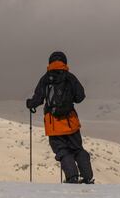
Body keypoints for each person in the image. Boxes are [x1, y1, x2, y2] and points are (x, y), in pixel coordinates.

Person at [26, 51, 94, 184]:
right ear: (64, 62)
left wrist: (30, 104)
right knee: (78, 149)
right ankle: (87, 177)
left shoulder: (45, 78)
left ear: (50, 62)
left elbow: (38, 99)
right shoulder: (70, 77)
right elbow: (80, 96)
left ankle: (72, 178)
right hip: (71, 122)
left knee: (62, 151)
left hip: (54, 125)